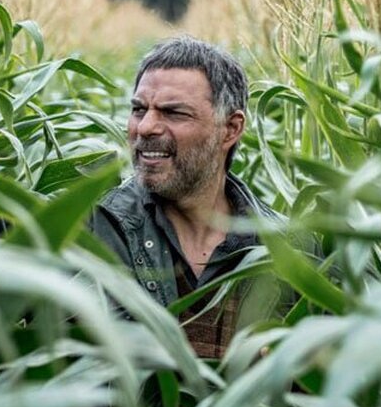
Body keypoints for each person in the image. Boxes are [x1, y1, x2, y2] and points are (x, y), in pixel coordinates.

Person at [87, 36, 286, 360]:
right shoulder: (91, 232)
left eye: (174, 113)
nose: (146, 127)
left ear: (230, 129)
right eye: (139, 110)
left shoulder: (286, 252)